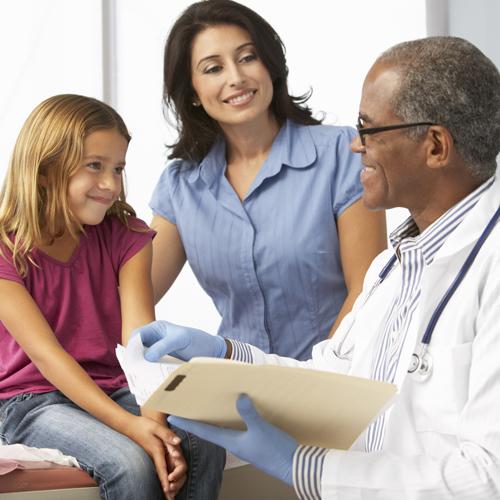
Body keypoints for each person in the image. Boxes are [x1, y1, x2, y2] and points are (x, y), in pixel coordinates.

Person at [138, 36, 500, 498]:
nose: (355, 146)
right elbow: (331, 380)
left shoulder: (491, 267)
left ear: (434, 146)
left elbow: (487, 476)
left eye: (369, 129)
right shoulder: (393, 266)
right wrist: (227, 354)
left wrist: (303, 466)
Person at [0, 95, 225, 500]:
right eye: (95, 166)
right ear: (46, 169)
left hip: (117, 385)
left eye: (118, 168)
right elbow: (49, 358)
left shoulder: (128, 237)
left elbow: (141, 344)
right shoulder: (4, 249)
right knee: (129, 464)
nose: (111, 184)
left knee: (201, 442)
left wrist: (154, 425)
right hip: (30, 399)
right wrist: (133, 427)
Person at [150, 0, 387, 360]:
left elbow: (366, 292)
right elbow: (132, 297)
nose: (236, 77)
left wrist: (316, 382)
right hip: (233, 390)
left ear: (270, 66)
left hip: (333, 386)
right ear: (193, 93)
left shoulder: (341, 153)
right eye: (213, 68)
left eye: (247, 57)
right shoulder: (181, 186)